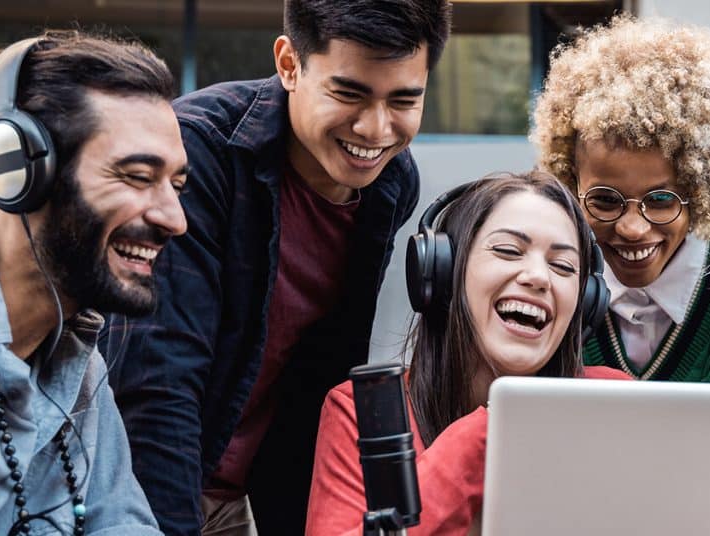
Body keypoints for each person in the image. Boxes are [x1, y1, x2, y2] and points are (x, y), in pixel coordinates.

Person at [98, 1, 454, 533]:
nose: (376, 129)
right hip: (137, 488)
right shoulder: (196, 152)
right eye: (349, 92)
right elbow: (157, 378)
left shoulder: (392, 182)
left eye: (404, 99)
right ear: (290, 64)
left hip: (242, 496)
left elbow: (320, 373)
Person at [0, 31, 187, 534]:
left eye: (176, 185)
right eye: (135, 176)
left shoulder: (79, 360)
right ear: (18, 172)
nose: (176, 219)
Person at [305, 172, 632, 535]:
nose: (539, 277)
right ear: (444, 273)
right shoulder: (369, 412)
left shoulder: (611, 401)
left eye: (563, 267)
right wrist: (483, 437)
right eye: (508, 250)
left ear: (584, 303)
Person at [530, 15, 710, 385]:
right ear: (572, 185)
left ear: (700, 191)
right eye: (605, 200)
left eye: (662, 200)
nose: (632, 228)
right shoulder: (550, 285)